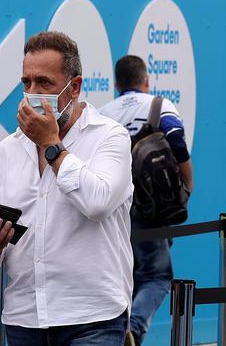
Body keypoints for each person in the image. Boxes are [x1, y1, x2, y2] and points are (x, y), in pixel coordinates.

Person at [0, 31, 134, 345]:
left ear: (74, 87)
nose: (32, 92)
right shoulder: (5, 152)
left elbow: (97, 203)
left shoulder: (110, 137)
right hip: (24, 319)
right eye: (26, 82)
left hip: (92, 318)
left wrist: (50, 143)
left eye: (44, 83)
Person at [100, 55, 193, 346]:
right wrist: (187, 184)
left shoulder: (102, 113)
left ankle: (116, 332)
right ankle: (134, 329)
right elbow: (176, 139)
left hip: (111, 207)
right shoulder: (159, 105)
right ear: (146, 80)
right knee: (156, 276)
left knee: (119, 276)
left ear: (116, 84)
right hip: (151, 206)